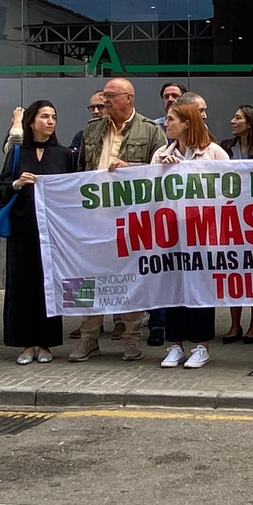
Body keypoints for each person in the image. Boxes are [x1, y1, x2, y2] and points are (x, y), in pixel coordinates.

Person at [70, 77, 167, 361]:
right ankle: (88, 337)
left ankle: (132, 337)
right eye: (103, 96)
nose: (104, 101)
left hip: (130, 218)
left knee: (130, 277)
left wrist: (130, 168)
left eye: (110, 96)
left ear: (129, 98)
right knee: (85, 277)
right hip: (93, 217)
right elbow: (79, 172)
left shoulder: (150, 130)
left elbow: (160, 171)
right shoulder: (91, 129)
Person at [151, 100, 230, 369]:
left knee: (199, 290)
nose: (166, 123)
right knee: (172, 288)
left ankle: (201, 345)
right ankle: (175, 345)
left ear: (187, 122)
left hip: (202, 234)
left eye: (171, 119)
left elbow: (228, 192)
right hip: (171, 234)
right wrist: (163, 171)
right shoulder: (161, 153)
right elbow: (150, 195)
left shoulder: (214, 153)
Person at [0, 100, 74, 364]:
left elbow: (74, 192)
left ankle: (46, 343)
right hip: (22, 228)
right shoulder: (18, 152)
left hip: (52, 232)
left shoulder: (64, 155)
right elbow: (1, 190)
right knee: (22, 286)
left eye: (54, 117)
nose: (50, 121)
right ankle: (26, 343)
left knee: (48, 285)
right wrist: (18, 183)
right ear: (31, 121)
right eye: (44, 116)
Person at [220, 103, 253, 344]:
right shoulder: (227, 148)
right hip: (231, 216)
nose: (232, 121)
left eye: (238, 118)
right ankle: (234, 324)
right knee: (233, 271)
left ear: (250, 122)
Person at [71, 91, 106, 161]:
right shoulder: (81, 136)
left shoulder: (118, 134)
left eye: (100, 107)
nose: (96, 111)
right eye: (92, 108)